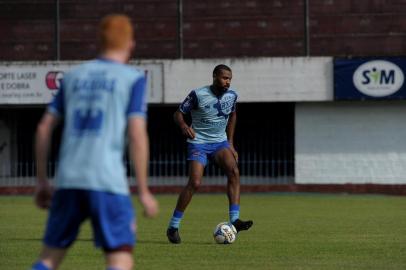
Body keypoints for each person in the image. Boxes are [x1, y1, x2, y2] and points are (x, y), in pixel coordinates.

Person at [31, 14, 158, 270]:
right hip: (107, 181)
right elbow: (136, 132)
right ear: (130, 44)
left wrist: (43, 181)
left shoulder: (72, 77)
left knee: (48, 259)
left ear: (98, 42)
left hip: (68, 180)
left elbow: (44, 127)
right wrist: (143, 189)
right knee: (120, 259)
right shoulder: (132, 79)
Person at [166, 64, 253, 244]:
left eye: (229, 78)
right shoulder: (198, 94)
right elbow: (178, 114)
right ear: (214, 76)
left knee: (234, 172)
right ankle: (173, 227)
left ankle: (234, 220)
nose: (227, 81)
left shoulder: (232, 95)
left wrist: (230, 142)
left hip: (219, 143)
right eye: (224, 78)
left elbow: (233, 115)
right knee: (195, 182)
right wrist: (183, 126)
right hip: (199, 142)